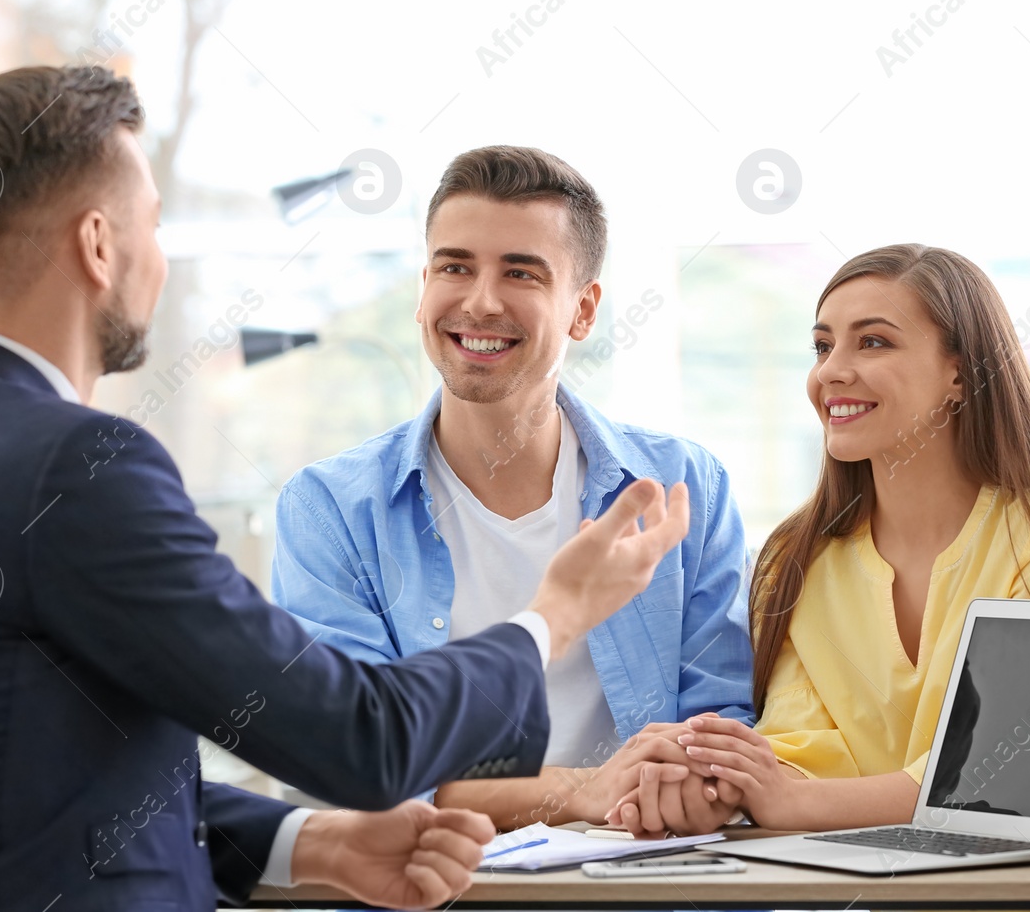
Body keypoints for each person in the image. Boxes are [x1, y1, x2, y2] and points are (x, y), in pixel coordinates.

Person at [0, 66, 691, 911]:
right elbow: (363, 740)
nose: (158, 263)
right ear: (96, 244)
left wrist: (306, 845)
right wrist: (555, 616)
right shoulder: (80, 469)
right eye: (152, 227)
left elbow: (37, 793)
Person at [271, 146, 752, 835]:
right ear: (423, 287)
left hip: (642, 884)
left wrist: (694, 784)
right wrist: (584, 788)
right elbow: (355, 764)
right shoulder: (329, 510)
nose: (480, 300)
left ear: (583, 310)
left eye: (520, 272)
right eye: (454, 266)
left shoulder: (685, 487)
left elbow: (725, 732)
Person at [608, 243, 1030, 835]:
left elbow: (1009, 771)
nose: (830, 371)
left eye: (873, 341)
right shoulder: (797, 557)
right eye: (823, 346)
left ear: (959, 372)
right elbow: (800, 756)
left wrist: (788, 801)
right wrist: (720, 785)